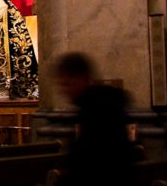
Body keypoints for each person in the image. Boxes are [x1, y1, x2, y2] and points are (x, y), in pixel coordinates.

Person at [54, 52, 138, 186]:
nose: (63, 90)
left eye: (67, 83)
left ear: (83, 79)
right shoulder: (97, 104)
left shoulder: (97, 109)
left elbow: (91, 159)